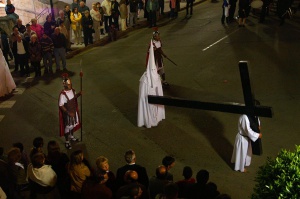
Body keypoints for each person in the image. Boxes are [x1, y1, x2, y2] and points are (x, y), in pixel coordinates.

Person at [138, 36, 165, 128]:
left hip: (155, 100)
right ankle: (148, 119)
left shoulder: (156, 77)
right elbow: (142, 96)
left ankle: (156, 117)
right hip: (148, 100)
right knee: (149, 108)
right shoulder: (144, 80)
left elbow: (160, 92)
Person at [58, 73, 82, 149]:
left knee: (73, 125)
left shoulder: (73, 90)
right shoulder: (63, 95)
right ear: (65, 85)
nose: (70, 86)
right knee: (68, 127)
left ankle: (71, 136)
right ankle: (67, 141)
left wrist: (79, 94)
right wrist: (68, 113)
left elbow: (74, 97)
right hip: (68, 114)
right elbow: (61, 105)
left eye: (70, 84)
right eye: (69, 85)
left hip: (74, 112)